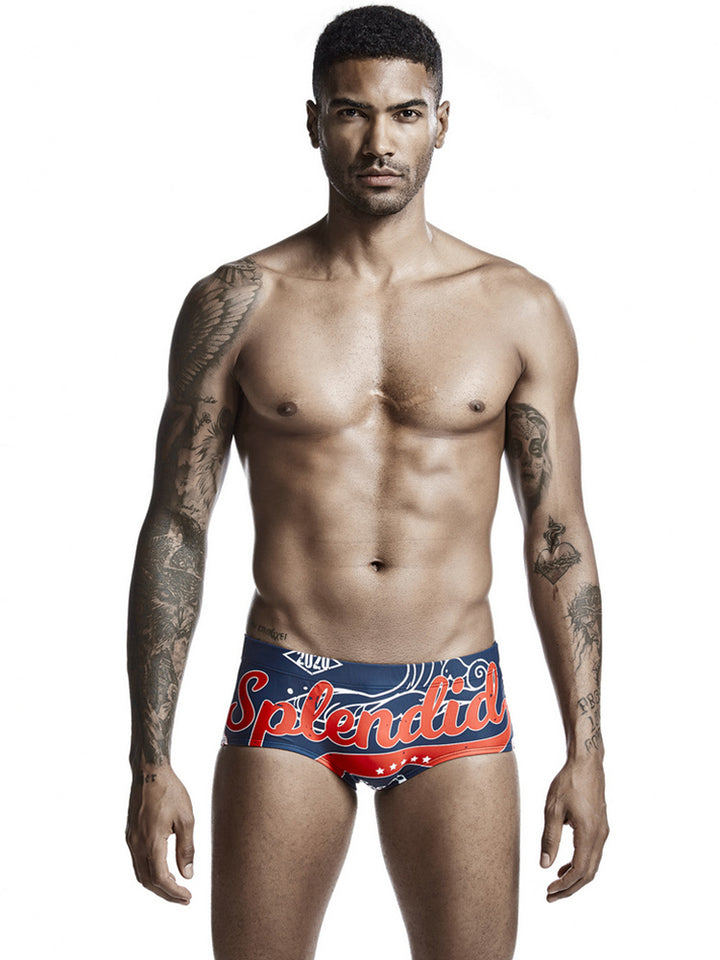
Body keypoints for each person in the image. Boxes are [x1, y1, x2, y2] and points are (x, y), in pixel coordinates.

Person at [125, 6, 608, 959]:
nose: (379, 142)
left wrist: (587, 752)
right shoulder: (239, 303)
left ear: (441, 123)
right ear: (314, 122)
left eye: (405, 113)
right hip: (289, 692)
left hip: (455, 693)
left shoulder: (516, 308)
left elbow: (557, 535)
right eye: (351, 112)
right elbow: (177, 525)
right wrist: (150, 759)